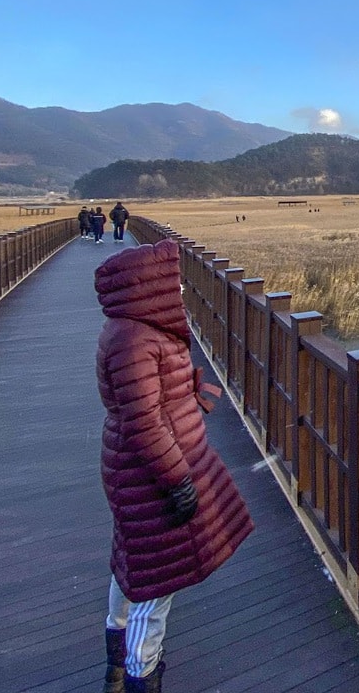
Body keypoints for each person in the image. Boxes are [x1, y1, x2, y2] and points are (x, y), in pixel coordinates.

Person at [95, 239, 253, 692]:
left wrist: (187, 390)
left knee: (131, 562)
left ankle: (117, 665)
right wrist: (179, 480)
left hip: (133, 471)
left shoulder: (135, 330)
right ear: (150, 287)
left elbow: (150, 400)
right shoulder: (135, 339)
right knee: (155, 582)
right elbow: (144, 421)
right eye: (174, 282)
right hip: (150, 475)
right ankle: (141, 674)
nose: (181, 289)